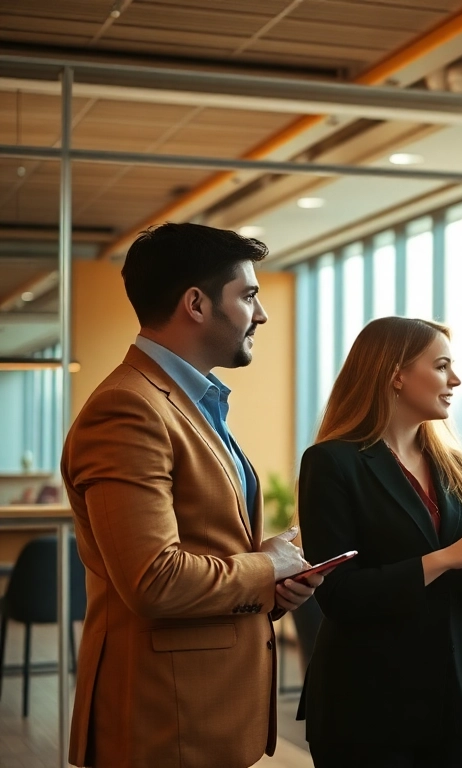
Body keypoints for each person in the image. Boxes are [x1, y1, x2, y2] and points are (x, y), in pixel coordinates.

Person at [61, 223, 319, 767]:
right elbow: (154, 580)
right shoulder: (128, 409)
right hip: (164, 721)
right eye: (248, 296)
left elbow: (204, 544)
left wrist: (271, 585)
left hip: (204, 710)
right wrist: (264, 566)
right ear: (196, 304)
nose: (262, 313)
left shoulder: (190, 400)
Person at [296, 316, 462, 768]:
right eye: (441, 366)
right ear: (396, 373)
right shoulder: (332, 463)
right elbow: (338, 595)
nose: (455, 379)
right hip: (366, 700)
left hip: (453, 698)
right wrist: (445, 558)